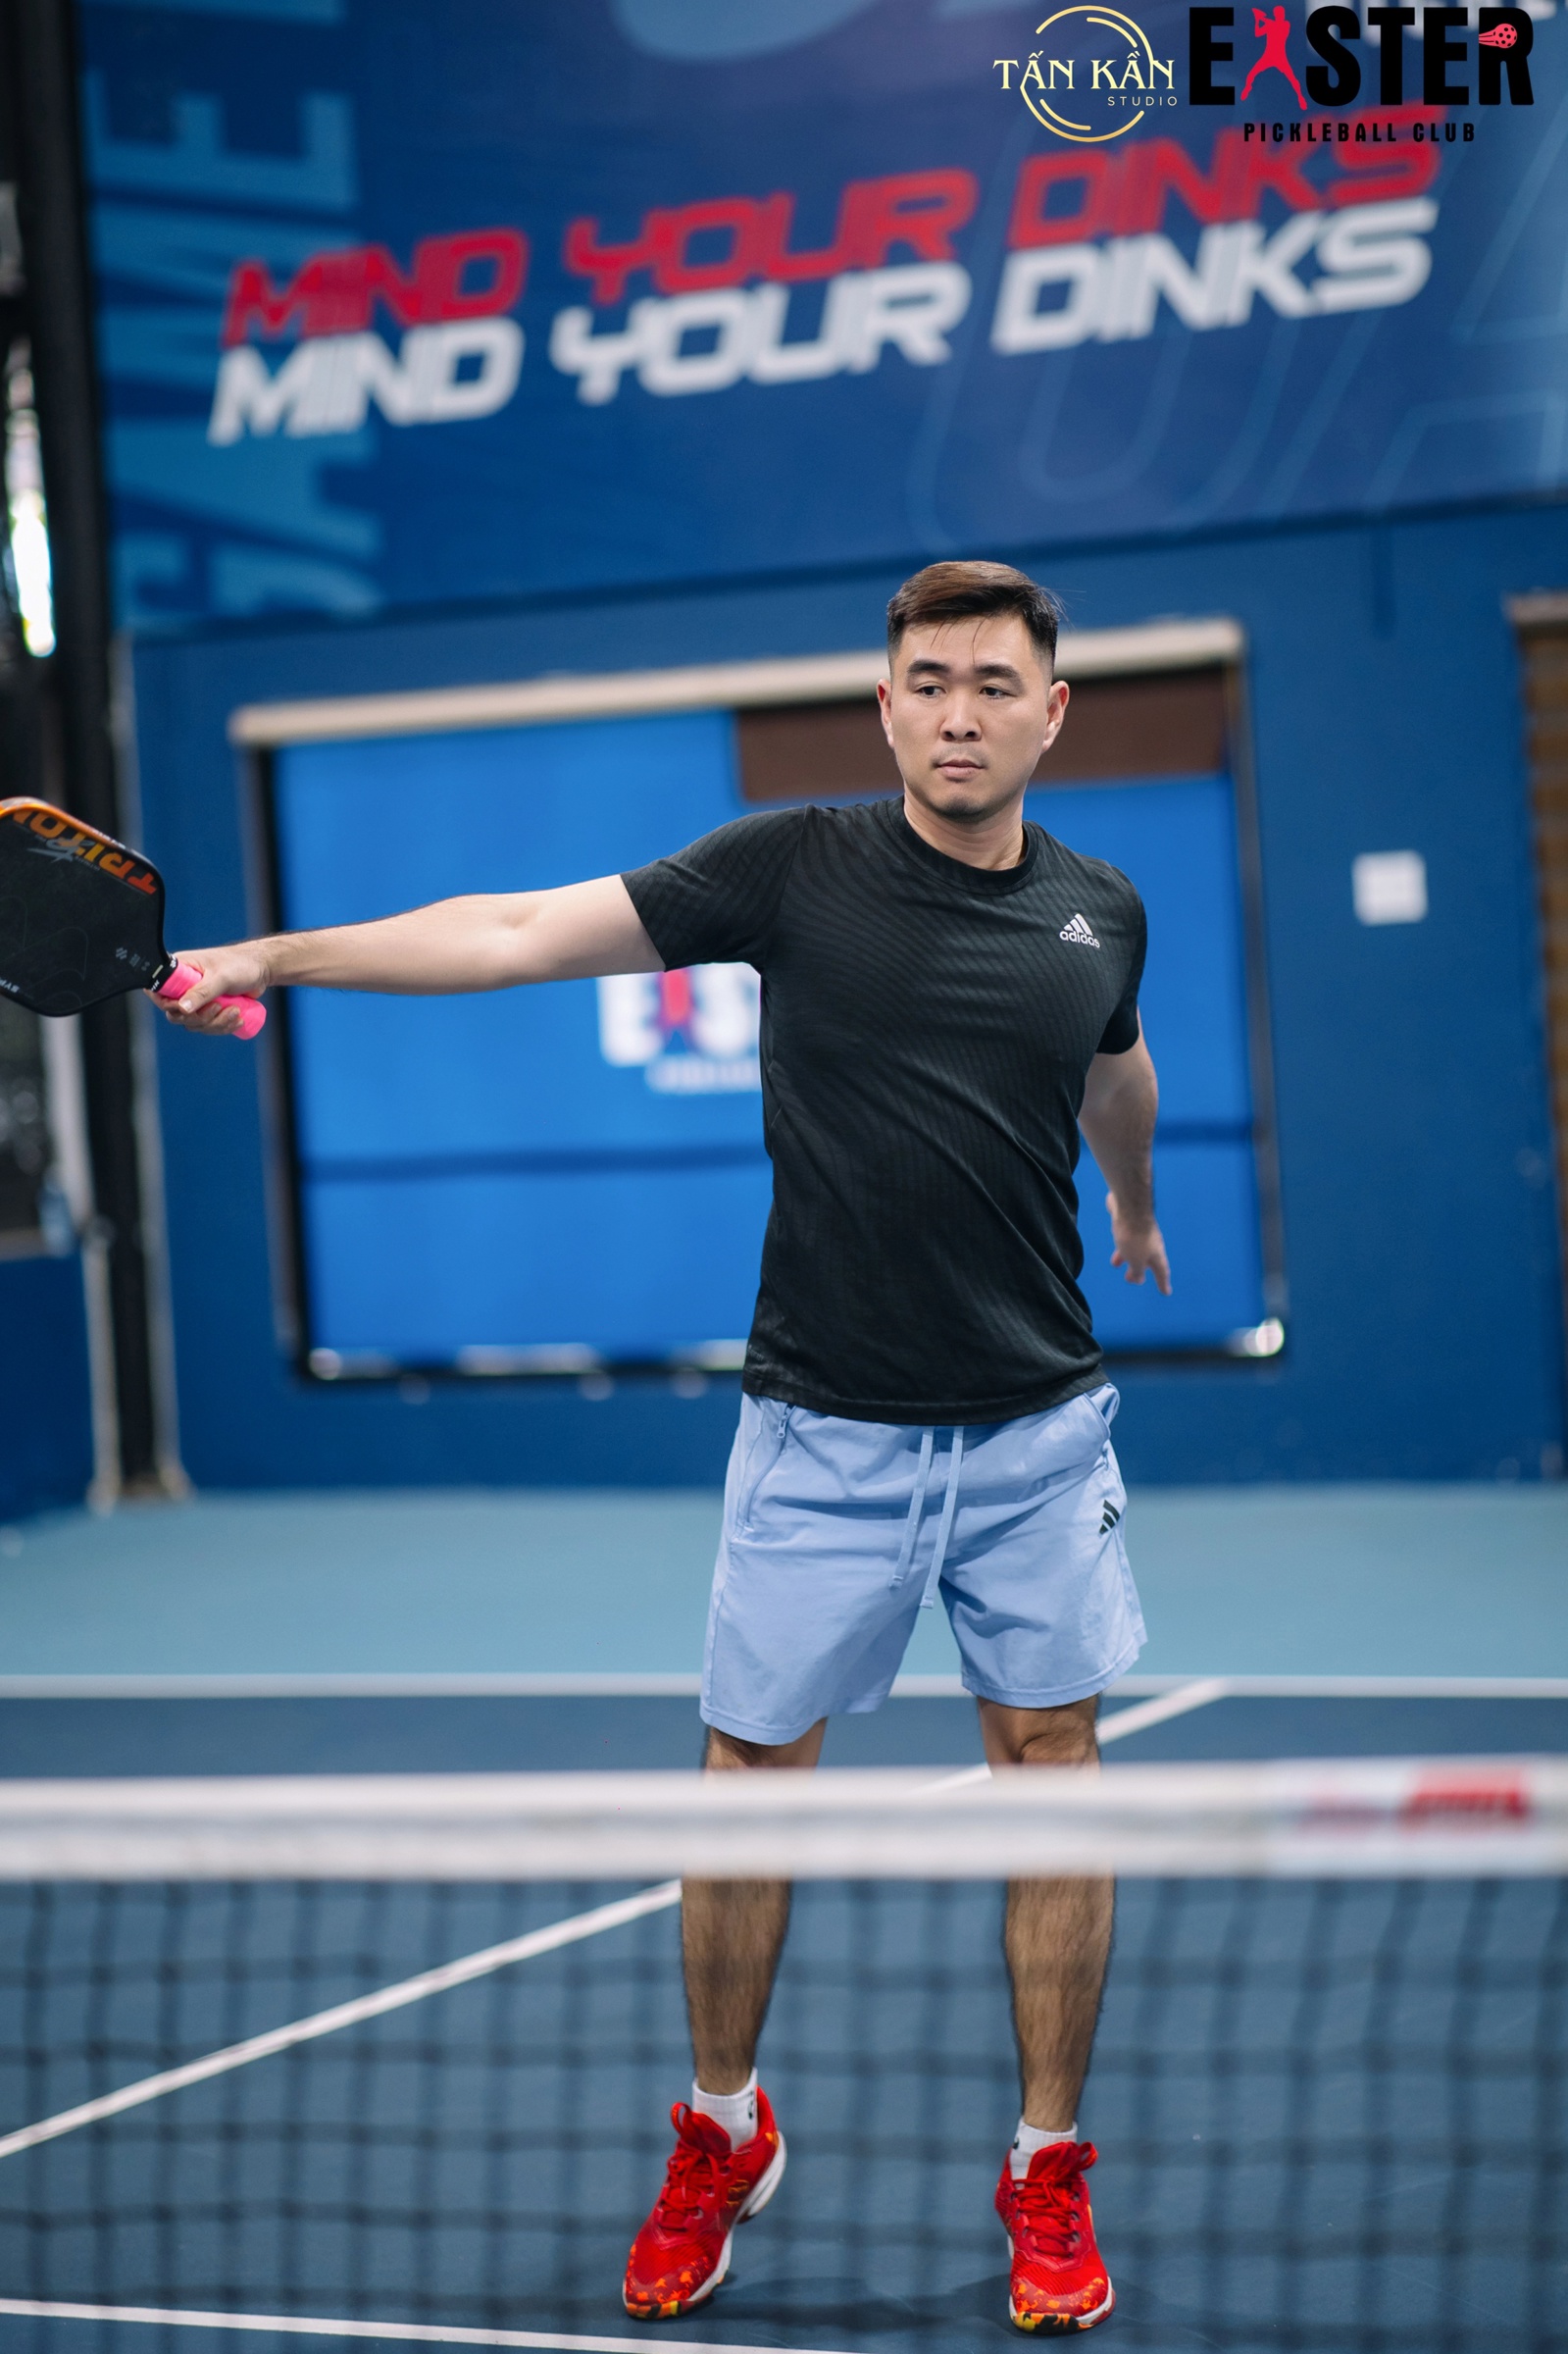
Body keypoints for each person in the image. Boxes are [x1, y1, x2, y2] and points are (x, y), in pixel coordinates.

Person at [160, 559, 1171, 2334]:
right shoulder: (790, 870)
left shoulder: (1101, 913)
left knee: (1056, 1772)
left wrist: (1135, 1198)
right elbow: (511, 932)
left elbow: (1115, 1072)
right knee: (745, 1786)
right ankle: (720, 2129)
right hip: (823, 1437)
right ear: (886, 706)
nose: (959, 715)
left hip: (1035, 1440)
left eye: (994, 685)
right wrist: (269, 957)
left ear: (1050, 711)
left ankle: (1047, 2161)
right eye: (930, 682)